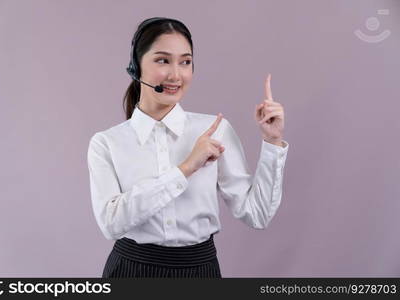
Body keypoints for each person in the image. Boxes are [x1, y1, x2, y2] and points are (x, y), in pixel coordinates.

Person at [87, 17, 289, 278]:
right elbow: (111, 224)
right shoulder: (106, 143)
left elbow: (257, 215)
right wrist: (186, 168)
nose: (176, 75)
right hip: (129, 270)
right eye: (163, 60)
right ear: (136, 67)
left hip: (199, 271)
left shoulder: (217, 131)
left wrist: (272, 141)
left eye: (185, 62)